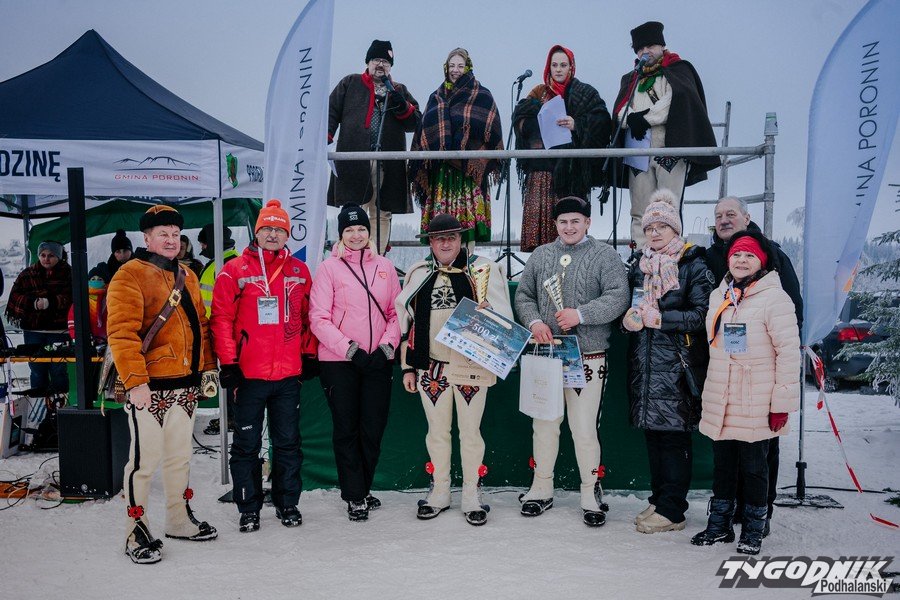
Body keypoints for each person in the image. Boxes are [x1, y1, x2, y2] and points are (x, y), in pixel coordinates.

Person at [106, 205, 219, 565]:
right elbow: (121, 333)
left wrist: (208, 369)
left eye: (174, 234)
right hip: (148, 388)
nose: (170, 240)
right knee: (144, 462)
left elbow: (202, 327)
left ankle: (178, 519)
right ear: (147, 238)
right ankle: (135, 530)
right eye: (162, 234)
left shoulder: (187, 274)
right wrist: (136, 382)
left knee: (179, 458)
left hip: (186, 387)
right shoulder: (129, 274)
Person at [514, 197, 629, 526]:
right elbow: (524, 295)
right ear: (555, 224)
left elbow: (619, 295)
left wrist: (581, 314)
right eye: (563, 221)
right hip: (547, 355)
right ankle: (541, 488)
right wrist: (535, 322)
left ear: (588, 222)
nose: (569, 227)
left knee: (583, 428)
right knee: (544, 425)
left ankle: (590, 492)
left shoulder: (605, 255)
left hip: (587, 357)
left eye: (576, 221)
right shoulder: (541, 254)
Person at [395, 214, 512, 526]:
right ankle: (440, 491)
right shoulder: (419, 273)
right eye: (439, 238)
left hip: (469, 365)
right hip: (431, 367)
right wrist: (408, 367)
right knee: (436, 432)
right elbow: (407, 325)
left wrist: (490, 312)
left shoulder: (483, 270)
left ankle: (471, 494)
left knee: (471, 432)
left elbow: (504, 318)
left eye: (451, 237)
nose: (445, 243)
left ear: (461, 240)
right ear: (430, 243)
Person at [691, 230, 800, 555]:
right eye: (736, 254)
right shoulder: (719, 295)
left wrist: (781, 403)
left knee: (754, 467)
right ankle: (719, 525)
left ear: (761, 261)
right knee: (723, 465)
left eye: (749, 255)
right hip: (722, 394)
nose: (741, 260)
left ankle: (753, 529)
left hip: (756, 397)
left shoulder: (775, 299)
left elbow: (788, 353)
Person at [210, 199, 315, 533]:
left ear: (287, 234)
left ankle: (288, 503)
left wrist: (309, 354)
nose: (272, 234)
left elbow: (308, 318)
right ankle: (249, 507)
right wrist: (229, 363)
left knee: (288, 444)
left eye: (279, 229)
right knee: (246, 444)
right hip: (249, 376)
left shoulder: (299, 271)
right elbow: (221, 319)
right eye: (266, 228)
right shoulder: (235, 270)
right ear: (256, 233)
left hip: (287, 376)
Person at [622, 190, 714, 533]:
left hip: (676, 367)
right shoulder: (640, 265)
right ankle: (660, 498)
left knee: (674, 439)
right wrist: (629, 320)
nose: (655, 233)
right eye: (650, 228)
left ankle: (673, 510)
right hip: (646, 365)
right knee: (655, 437)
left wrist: (661, 319)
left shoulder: (693, 265)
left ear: (676, 229)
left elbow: (702, 316)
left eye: (662, 227)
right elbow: (631, 306)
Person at [309, 204, 401, 522]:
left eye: (361, 228)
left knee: (372, 427)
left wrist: (387, 347)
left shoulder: (385, 267)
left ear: (369, 232)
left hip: (377, 360)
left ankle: (362, 486)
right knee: (347, 429)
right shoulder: (328, 269)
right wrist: (350, 350)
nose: (356, 235)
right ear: (340, 235)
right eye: (349, 230)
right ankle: (355, 495)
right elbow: (318, 318)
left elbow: (396, 313)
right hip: (340, 362)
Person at [612, 21, 719, 245]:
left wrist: (644, 118)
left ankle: (670, 254)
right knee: (639, 208)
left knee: (667, 207)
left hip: (668, 149)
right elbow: (620, 110)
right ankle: (641, 254)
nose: (645, 52)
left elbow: (674, 103)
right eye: (640, 48)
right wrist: (631, 119)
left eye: (650, 46)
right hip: (638, 154)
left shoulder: (678, 70)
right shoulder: (631, 79)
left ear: (661, 46)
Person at [513, 44, 611, 252]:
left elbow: (602, 122)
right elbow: (520, 122)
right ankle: (540, 265)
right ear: (548, 67)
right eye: (554, 65)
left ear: (571, 67)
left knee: (570, 229)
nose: (558, 69)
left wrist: (577, 124)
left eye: (563, 65)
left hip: (572, 174)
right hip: (541, 172)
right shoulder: (537, 93)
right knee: (540, 236)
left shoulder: (585, 92)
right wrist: (539, 117)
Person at [328, 39, 421, 254]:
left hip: (387, 162)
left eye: (385, 62)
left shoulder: (398, 90)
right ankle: (350, 255)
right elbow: (331, 111)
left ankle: (376, 257)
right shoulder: (350, 83)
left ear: (390, 66)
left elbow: (415, 122)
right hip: (354, 159)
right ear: (368, 62)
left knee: (382, 212)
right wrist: (326, 138)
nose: (380, 65)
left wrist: (402, 105)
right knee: (354, 209)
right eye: (376, 60)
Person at [410, 48, 503, 251]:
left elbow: (492, 128)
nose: (455, 70)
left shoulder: (482, 95)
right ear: (446, 67)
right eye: (452, 66)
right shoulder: (436, 96)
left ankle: (467, 258)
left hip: (469, 171)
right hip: (441, 172)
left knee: (467, 220)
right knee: (441, 222)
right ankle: (440, 258)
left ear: (468, 68)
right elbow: (423, 130)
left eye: (460, 66)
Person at [5, 240, 73, 393]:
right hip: (33, 331)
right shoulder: (27, 275)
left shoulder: (69, 274)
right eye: (43, 255)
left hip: (59, 331)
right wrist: (33, 303)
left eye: (51, 255)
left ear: (59, 256)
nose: (46, 259)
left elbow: (73, 298)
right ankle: (38, 400)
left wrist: (51, 302)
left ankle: (61, 402)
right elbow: (14, 297)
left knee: (58, 368)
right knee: (36, 367)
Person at [196, 223, 238, 436]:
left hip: (224, 334)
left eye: (204, 243)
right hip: (218, 332)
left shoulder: (226, 265)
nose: (202, 248)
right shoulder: (221, 263)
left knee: (231, 376)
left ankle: (232, 417)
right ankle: (230, 415)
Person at [197, 223, 238, 317]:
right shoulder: (217, 262)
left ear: (212, 242)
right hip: (208, 321)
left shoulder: (229, 264)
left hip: (217, 323)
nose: (202, 248)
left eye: (204, 244)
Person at [67, 264, 109, 343]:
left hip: (107, 341)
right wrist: (76, 336)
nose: (96, 281)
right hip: (86, 341)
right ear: (88, 281)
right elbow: (72, 318)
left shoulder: (109, 298)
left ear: (105, 282)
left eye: (100, 279)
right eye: (93, 279)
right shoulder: (82, 299)